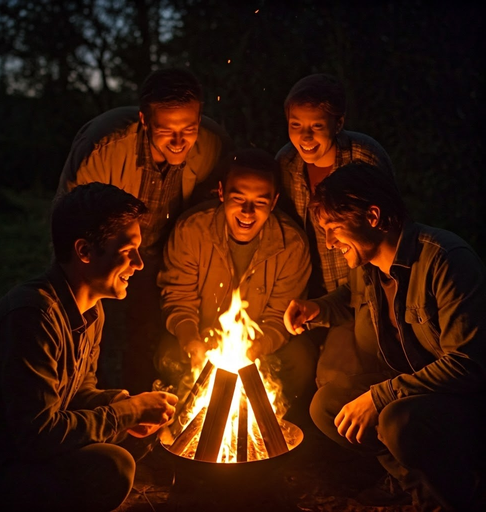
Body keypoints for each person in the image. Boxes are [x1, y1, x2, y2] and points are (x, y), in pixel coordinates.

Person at [284, 162, 486, 511]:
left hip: (465, 400)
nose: (330, 243)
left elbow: (467, 364)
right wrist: (316, 309)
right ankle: (420, 492)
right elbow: (350, 299)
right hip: (410, 388)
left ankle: (465, 498)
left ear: (373, 216)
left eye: (333, 229)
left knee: (395, 421)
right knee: (328, 404)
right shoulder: (369, 268)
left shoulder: (446, 261)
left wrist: (380, 396)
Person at [0, 183, 178, 512]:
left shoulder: (90, 310)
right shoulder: (32, 317)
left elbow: (76, 392)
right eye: (127, 251)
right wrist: (126, 412)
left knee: (134, 438)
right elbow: (37, 434)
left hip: (34, 448)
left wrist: (122, 404)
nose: (138, 264)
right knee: (113, 466)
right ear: (84, 251)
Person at [57, 67, 233, 394]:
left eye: (189, 128)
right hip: (108, 253)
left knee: (147, 338)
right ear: (144, 120)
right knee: (96, 333)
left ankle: (144, 404)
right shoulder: (103, 150)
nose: (181, 142)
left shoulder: (212, 144)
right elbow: (68, 223)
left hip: (166, 253)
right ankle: (89, 401)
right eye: (167, 131)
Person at [156, 148, 316, 416]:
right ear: (221, 193)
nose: (247, 211)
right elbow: (177, 299)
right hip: (202, 340)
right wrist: (192, 341)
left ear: (274, 201)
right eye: (238, 198)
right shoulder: (192, 230)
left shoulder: (292, 245)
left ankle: (267, 422)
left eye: (260, 202)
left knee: (300, 361)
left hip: (261, 347)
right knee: (168, 355)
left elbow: (281, 318)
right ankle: (189, 419)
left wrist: (252, 350)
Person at [276, 73, 396, 388]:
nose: (305, 137)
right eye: (295, 125)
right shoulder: (286, 163)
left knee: (337, 378)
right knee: (288, 373)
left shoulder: (364, 157)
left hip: (365, 295)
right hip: (315, 294)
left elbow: (389, 232)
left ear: (338, 123)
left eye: (316, 126)